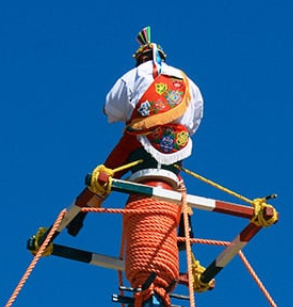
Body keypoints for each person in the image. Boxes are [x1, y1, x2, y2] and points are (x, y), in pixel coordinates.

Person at [68, 26, 205, 237]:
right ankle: (185, 224)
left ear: (141, 58)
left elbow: (111, 109)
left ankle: (84, 209)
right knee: (175, 179)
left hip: (142, 139)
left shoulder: (134, 75)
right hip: (178, 143)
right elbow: (194, 120)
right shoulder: (187, 81)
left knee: (110, 169)